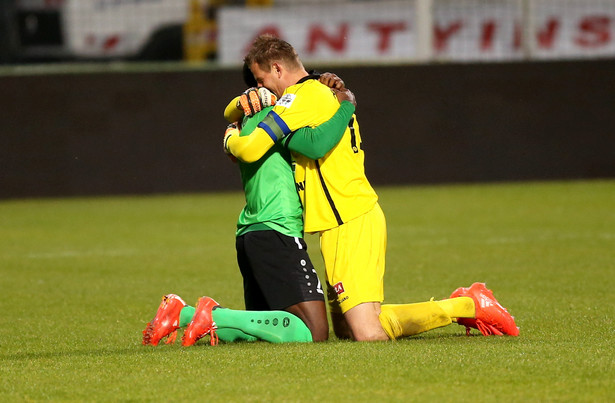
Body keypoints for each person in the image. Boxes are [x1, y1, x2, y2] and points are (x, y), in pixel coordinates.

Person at [223, 34, 519, 341]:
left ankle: (467, 306)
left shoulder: (300, 98)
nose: (260, 89)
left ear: (277, 69)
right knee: (349, 329)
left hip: (351, 218)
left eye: (261, 80)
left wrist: (232, 133)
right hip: (338, 223)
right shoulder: (321, 92)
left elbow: (305, 145)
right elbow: (309, 141)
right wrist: (344, 106)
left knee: (367, 333)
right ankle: (464, 304)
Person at [142, 84, 358, 346]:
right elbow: (315, 145)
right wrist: (347, 105)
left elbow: (233, 116)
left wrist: (231, 127)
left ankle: (185, 316)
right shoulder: (275, 114)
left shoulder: (247, 117)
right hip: (276, 228)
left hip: (252, 233)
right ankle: (201, 315)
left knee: (263, 330)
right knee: (313, 332)